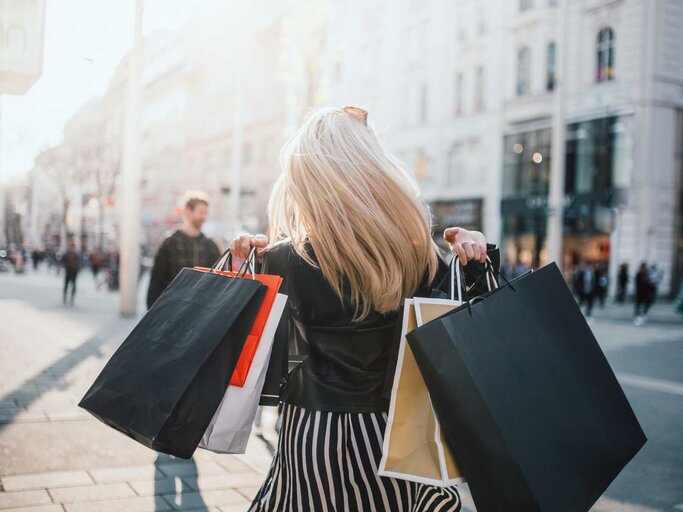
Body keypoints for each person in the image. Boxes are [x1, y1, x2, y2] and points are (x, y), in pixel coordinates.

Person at [230, 106, 499, 512]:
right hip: (396, 435)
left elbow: (250, 346)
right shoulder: (418, 256)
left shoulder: (284, 258)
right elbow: (475, 328)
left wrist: (242, 267)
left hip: (313, 433)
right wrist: (477, 260)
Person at [146, 190, 221, 309]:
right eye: (201, 212)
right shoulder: (170, 242)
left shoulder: (211, 245)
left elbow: (219, 281)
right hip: (172, 309)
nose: (204, 217)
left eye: (206, 213)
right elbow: (156, 282)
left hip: (201, 311)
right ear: (188, 211)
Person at [62, 237, 81, 306]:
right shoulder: (76, 253)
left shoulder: (68, 252)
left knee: (67, 284)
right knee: (72, 284)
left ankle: (67, 298)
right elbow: (79, 262)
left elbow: (63, 260)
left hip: (70, 270)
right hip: (73, 271)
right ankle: (70, 298)